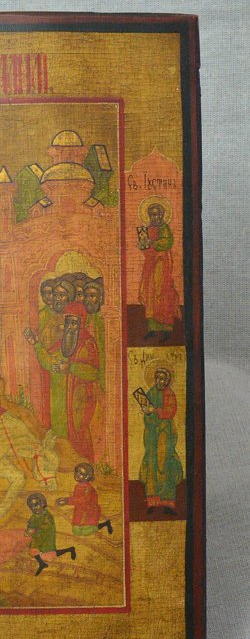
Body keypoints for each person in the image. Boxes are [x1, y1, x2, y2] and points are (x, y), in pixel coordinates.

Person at [26, 302, 99, 461]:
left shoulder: (87, 343)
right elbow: (48, 362)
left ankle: (83, 463)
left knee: (78, 435)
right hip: (58, 400)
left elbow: (93, 372)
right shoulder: (63, 342)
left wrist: (70, 367)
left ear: (81, 323)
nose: (70, 326)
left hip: (75, 400)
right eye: (67, 322)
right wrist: (36, 344)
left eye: (74, 322)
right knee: (58, 435)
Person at [139, 367, 184, 514]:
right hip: (152, 433)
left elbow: (170, 411)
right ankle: (152, 502)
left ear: (167, 380)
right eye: (157, 378)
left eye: (162, 378)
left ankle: (168, 502)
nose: (159, 381)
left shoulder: (169, 393)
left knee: (165, 462)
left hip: (165, 432)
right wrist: (147, 412)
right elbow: (147, 412)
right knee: (151, 463)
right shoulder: (151, 392)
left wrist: (155, 411)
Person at [138, 203, 180, 342]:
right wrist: (143, 245)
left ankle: (166, 328)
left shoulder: (164, 228)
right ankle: (153, 329)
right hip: (151, 263)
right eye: (151, 215)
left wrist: (154, 244)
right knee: (149, 292)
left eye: (156, 214)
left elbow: (167, 242)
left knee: (161, 292)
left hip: (161, 263)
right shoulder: (148, 228)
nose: (153, 217)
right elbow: (146, 249)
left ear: (161, 215)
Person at [25, 492, 75, 576]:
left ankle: (70, 549)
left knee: (49, 554)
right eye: (31, 506)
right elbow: (30, 526)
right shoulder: (33, 517)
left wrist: (35, 530)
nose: (34, 508)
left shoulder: (46, 515)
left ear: (43, 504)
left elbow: (47, 527)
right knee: (33, 550)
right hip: (37, 538)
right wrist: (28, 532)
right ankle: (42, 564)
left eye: (36, 505)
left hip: (46, 538)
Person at [56, 462, 112, 536]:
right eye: (77, 472)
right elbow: (76, 499)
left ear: (86, 477)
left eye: (81, 473)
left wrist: (67, 501)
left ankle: (105, 524)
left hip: (90, 512)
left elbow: (83, 500)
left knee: (86, 531)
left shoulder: (88, 488)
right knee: (76, 531)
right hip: (80, 511)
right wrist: (65, 500)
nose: (77, 474)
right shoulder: (78, 486)